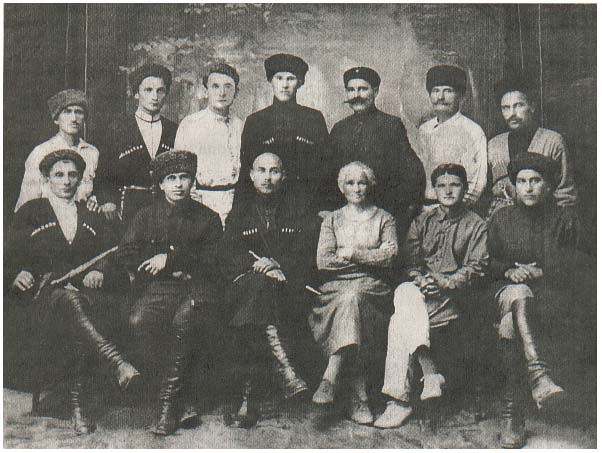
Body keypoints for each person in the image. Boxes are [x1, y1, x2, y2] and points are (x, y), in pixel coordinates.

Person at [7, 149, 140, 435]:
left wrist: (99, 271)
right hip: (41, 298)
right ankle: (116, 364)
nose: (66, 181)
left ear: (80, 179)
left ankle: (79, 407)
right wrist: (16, 274)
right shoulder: (30, 212)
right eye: (58, 175)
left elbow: (111, 254)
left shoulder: (90, 214)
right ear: (46, 179)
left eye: (72, 175)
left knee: (75, 307)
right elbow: (8, 255)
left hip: (83, 297)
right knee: (69, 302)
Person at [111, 150, 223, 436]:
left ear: (192, 181)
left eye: (184, 177)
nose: (178, 184)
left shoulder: (208, 218)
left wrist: (170, 259)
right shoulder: (146, 215)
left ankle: (167, 408)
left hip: (197, 289)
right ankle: (181, 396)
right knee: (139, 321)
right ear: (160, 184)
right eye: (171, 178)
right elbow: (126, 253)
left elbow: (213, 261)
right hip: (159, 287)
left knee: (184, 322)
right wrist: (165, 265)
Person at [487, 154, 592, 448]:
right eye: (522, 181)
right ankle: (538, 375)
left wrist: (543, 271)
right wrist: (508, 270)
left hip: (550, 295)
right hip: (504, 291)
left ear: (549, 185)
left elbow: (582, 262)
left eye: (535, 180)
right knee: (517, 295)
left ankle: (513, 417)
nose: (529, 187)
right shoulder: (501, 218)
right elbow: (488, 262)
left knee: (510, 324)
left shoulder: (565, 218)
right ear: (514, 186)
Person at [374, 163, 488, 429]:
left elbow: (477, 266)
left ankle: (398, 401)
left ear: (465, 189)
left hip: (455, 297)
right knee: (405, 290)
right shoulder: (422, 220)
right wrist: (422, 279)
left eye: (455, 185)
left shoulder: (476, 224)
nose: (448, 191)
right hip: (422, 293)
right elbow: (410, 262)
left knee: (400, 321)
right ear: (434, 189)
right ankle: (430, 373)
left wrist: (445, 282)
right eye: (441, 186)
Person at [222, 152, 319, 428]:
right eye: (262, 171)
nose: (268, 177)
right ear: (251, 175)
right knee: (259, 288)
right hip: (246, 285)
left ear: (283, 176)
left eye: (274, 171)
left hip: (287, 287)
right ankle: (285, 371)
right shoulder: (240, 211)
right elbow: (228, 254)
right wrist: (261, 268)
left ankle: (247, 397)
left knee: (257, 304)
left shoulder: (299, 210)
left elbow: (308, 254)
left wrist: (279, 264)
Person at [309, 161, 398, 426]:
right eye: (350, 183)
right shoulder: (332, 219)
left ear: (370, 185)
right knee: (350, 301)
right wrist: (369, 257)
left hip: (373, 289)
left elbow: (390, 257)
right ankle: (359, 398)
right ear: (342, 187)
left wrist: (351, 253)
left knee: (354, 300)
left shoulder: (385, 218)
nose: (357, 188)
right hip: (335, 289)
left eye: (362, 182)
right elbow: (324, 262)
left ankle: (331, 376)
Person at [326, 67, 425, 237]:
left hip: (382, 213)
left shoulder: (391, 126)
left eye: (363, 89)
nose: (356, 95)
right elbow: (328, 174)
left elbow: (412, 173)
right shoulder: (339, 129)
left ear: (376, 91)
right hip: (346, 215)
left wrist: (399, 212)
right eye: (351, 90)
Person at [488, 77, 579, 241]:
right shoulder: (494, 145)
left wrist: (559, 224)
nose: (512, 113)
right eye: (506, 108)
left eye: (519, 105)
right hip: (502, 226)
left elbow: (565, 192)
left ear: (532, 106)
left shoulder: (552, 141)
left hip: (543, 225)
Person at [235, 53, 329, 210]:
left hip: (306, 205)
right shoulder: (255, 121)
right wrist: (240, 212)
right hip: (266, 206)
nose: (284, 85)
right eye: (279, 78)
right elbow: (246, 171)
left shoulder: (313, 119)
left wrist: (325, 209)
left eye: (290, 79)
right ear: (270, 81)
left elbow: (325, 168)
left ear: (300, 83)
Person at [95, 63, 178, 223]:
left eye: (160, 90)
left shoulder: (174, 130)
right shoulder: (118, 128)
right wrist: (108, 200)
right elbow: (103, 173)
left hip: (165, 211)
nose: (155, 96)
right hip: (127, 211)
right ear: (136, 93)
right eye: (148, 90)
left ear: (166, 93)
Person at [174, 63, 243, 226]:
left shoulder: (241, 126)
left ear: (236, 92)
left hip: (234, 204)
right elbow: (180, 168)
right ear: (206, 91)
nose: (222, 93)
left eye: (228, 87)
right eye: (215, 86)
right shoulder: (191, 124)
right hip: (201, 202)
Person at [15, 89, 103, 214]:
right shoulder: (40, 152)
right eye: (67, 112)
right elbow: (26, 205)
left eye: (79, 112)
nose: (74, 118)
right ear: (56, 119)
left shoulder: (92, 153)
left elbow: (96, 193)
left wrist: (95, 202)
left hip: (81, 221)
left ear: (84, 118)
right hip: (49, 220)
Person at [416, 65, 487, 207]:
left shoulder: (472, 131)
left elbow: (477, 183)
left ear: (460, 96)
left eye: (448, 91)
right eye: (435, 91)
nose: (440, 97)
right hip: (424, 209)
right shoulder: (424, 130)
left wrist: (455, 211)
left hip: (456, 209)